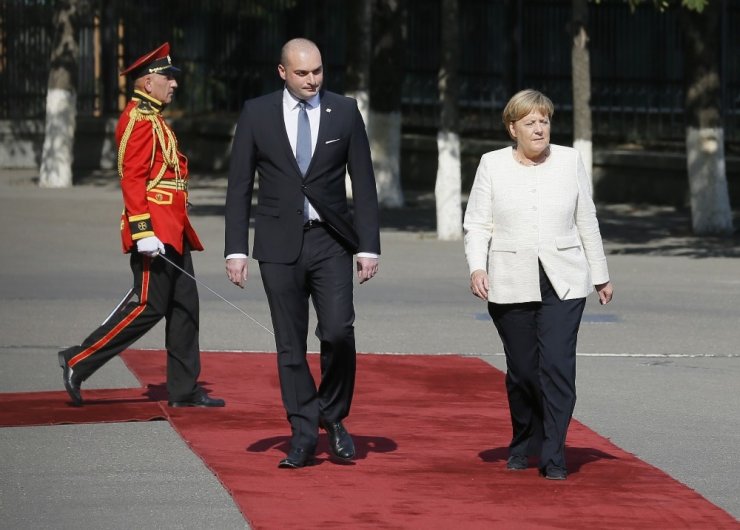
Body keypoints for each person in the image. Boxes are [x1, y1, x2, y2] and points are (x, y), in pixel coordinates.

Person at [224, 38, 380, 469]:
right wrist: (235, 249)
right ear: (282, 73)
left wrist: (368, 246)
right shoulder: (257, 113)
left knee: (337, 332)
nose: (312, 80)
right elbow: (239, 186)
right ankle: (303, 433)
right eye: (302, 73)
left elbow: (363, 183)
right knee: (289, 346)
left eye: (317, 72)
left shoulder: (345, 111)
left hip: (331, 241)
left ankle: (333, 415)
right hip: (278, 245)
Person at [57, 43, 224, 409]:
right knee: (148, 305)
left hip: (173, 227)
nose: (174, 84)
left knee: (185, 307)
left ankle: (183, 389)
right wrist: (143, 230)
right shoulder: (137, 119)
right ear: (148, 82)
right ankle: (78, 360)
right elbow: (131, 178)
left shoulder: (153, 118)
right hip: (155, 231)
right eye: (168, 78)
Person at [463, 89, 613, 480]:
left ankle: (553, 455)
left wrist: (600, 275)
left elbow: (587, 219)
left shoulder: (569, 160)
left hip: (564, 280)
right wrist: (477, 267)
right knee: (525, 371)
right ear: (513, 128)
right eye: (530, 122)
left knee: (558, 368)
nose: (539, 128)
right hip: (510, 280)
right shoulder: (491, 164)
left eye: (544, 120)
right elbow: (477, 223)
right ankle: (524, 439)